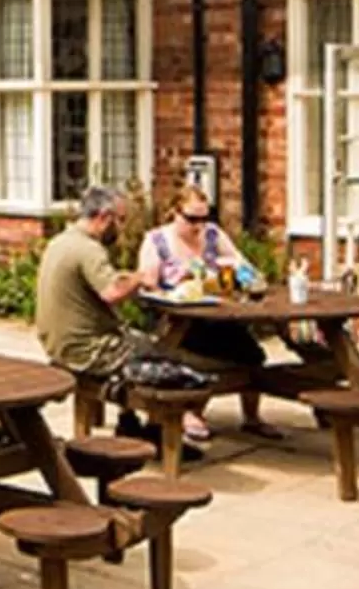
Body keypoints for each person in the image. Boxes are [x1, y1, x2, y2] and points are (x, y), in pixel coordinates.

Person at [33, 185, 210, 446]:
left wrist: (129, 278)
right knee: (169, 356)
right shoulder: (89, 249)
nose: (122, 228)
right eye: (121, 220)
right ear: (104, 218)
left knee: (140, 341)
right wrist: (141, 277)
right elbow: (112, 291)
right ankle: (163, 431)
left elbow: (107, 282)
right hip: (91, 350)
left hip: (58, 344)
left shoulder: (61, 242)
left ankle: (130, 423)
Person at [136, 180, 280, 438]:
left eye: (204, 217)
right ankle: (191, 412)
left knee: (254, 355)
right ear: (174, 213)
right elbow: (147, 285)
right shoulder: (157, 241)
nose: (198, 226)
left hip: (217, 315)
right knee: (199, 359)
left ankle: (251, 417)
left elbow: (246, 268)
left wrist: (240, 272)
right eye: (191, 219)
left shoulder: (212, 235)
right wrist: (176, 283)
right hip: (178, 319)